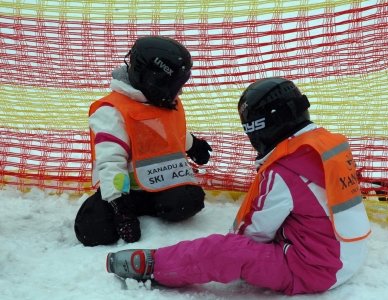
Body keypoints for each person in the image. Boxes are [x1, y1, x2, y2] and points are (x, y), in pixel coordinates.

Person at [105, 77, 371, 295]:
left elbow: (250, 235)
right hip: (349, 253)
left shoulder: (284, 168)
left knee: (225, 251)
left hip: (314, 270)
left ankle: (155, 265)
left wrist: (232, 247)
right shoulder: (325, 145)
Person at [74, 36, 212, 247]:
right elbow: (111, 161)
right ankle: (120, 209)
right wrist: (121, 209)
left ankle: (152, 207)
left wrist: (193, 145)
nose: (180, 91)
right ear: (155, 81)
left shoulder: (159, 101)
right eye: (176, 85)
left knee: (189, 200)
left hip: (159, 186)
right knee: (92, 229)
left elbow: (170, 135)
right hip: (124, 192)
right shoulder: (112, 111)